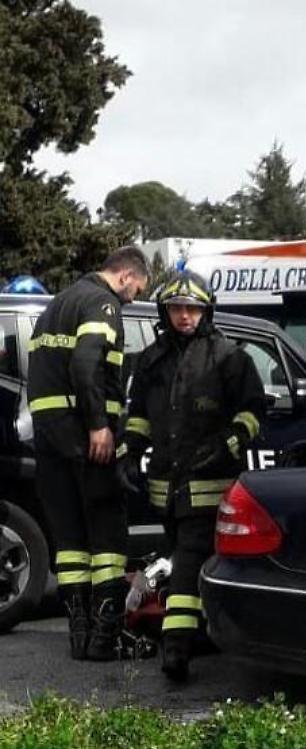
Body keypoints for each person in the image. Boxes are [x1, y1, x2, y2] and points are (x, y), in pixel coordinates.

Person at [122, 271, 264, 681]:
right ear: (165, 313)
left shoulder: (229, 357)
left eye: (193, 309)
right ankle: (201, 635)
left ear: (206, 312)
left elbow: (254, 412)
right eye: (177, 309)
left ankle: (176, 651)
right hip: (166, 486)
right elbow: (140, 416)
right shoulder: (151, 360)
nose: (185, 316)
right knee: (181, 559)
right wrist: (130, 451)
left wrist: (231, 441)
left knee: (185, 564)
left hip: (209, 484)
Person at [28, 246, 149, 660]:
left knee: (71, 540)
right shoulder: (102, 302)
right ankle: (105, 638)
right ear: (127, 275)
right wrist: (99, 423)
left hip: (49, 435)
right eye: (136, 290)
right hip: (84, 434)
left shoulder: (57, 303)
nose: (131, 299)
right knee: (108, 534)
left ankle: (79, 638)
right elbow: (86, 363)